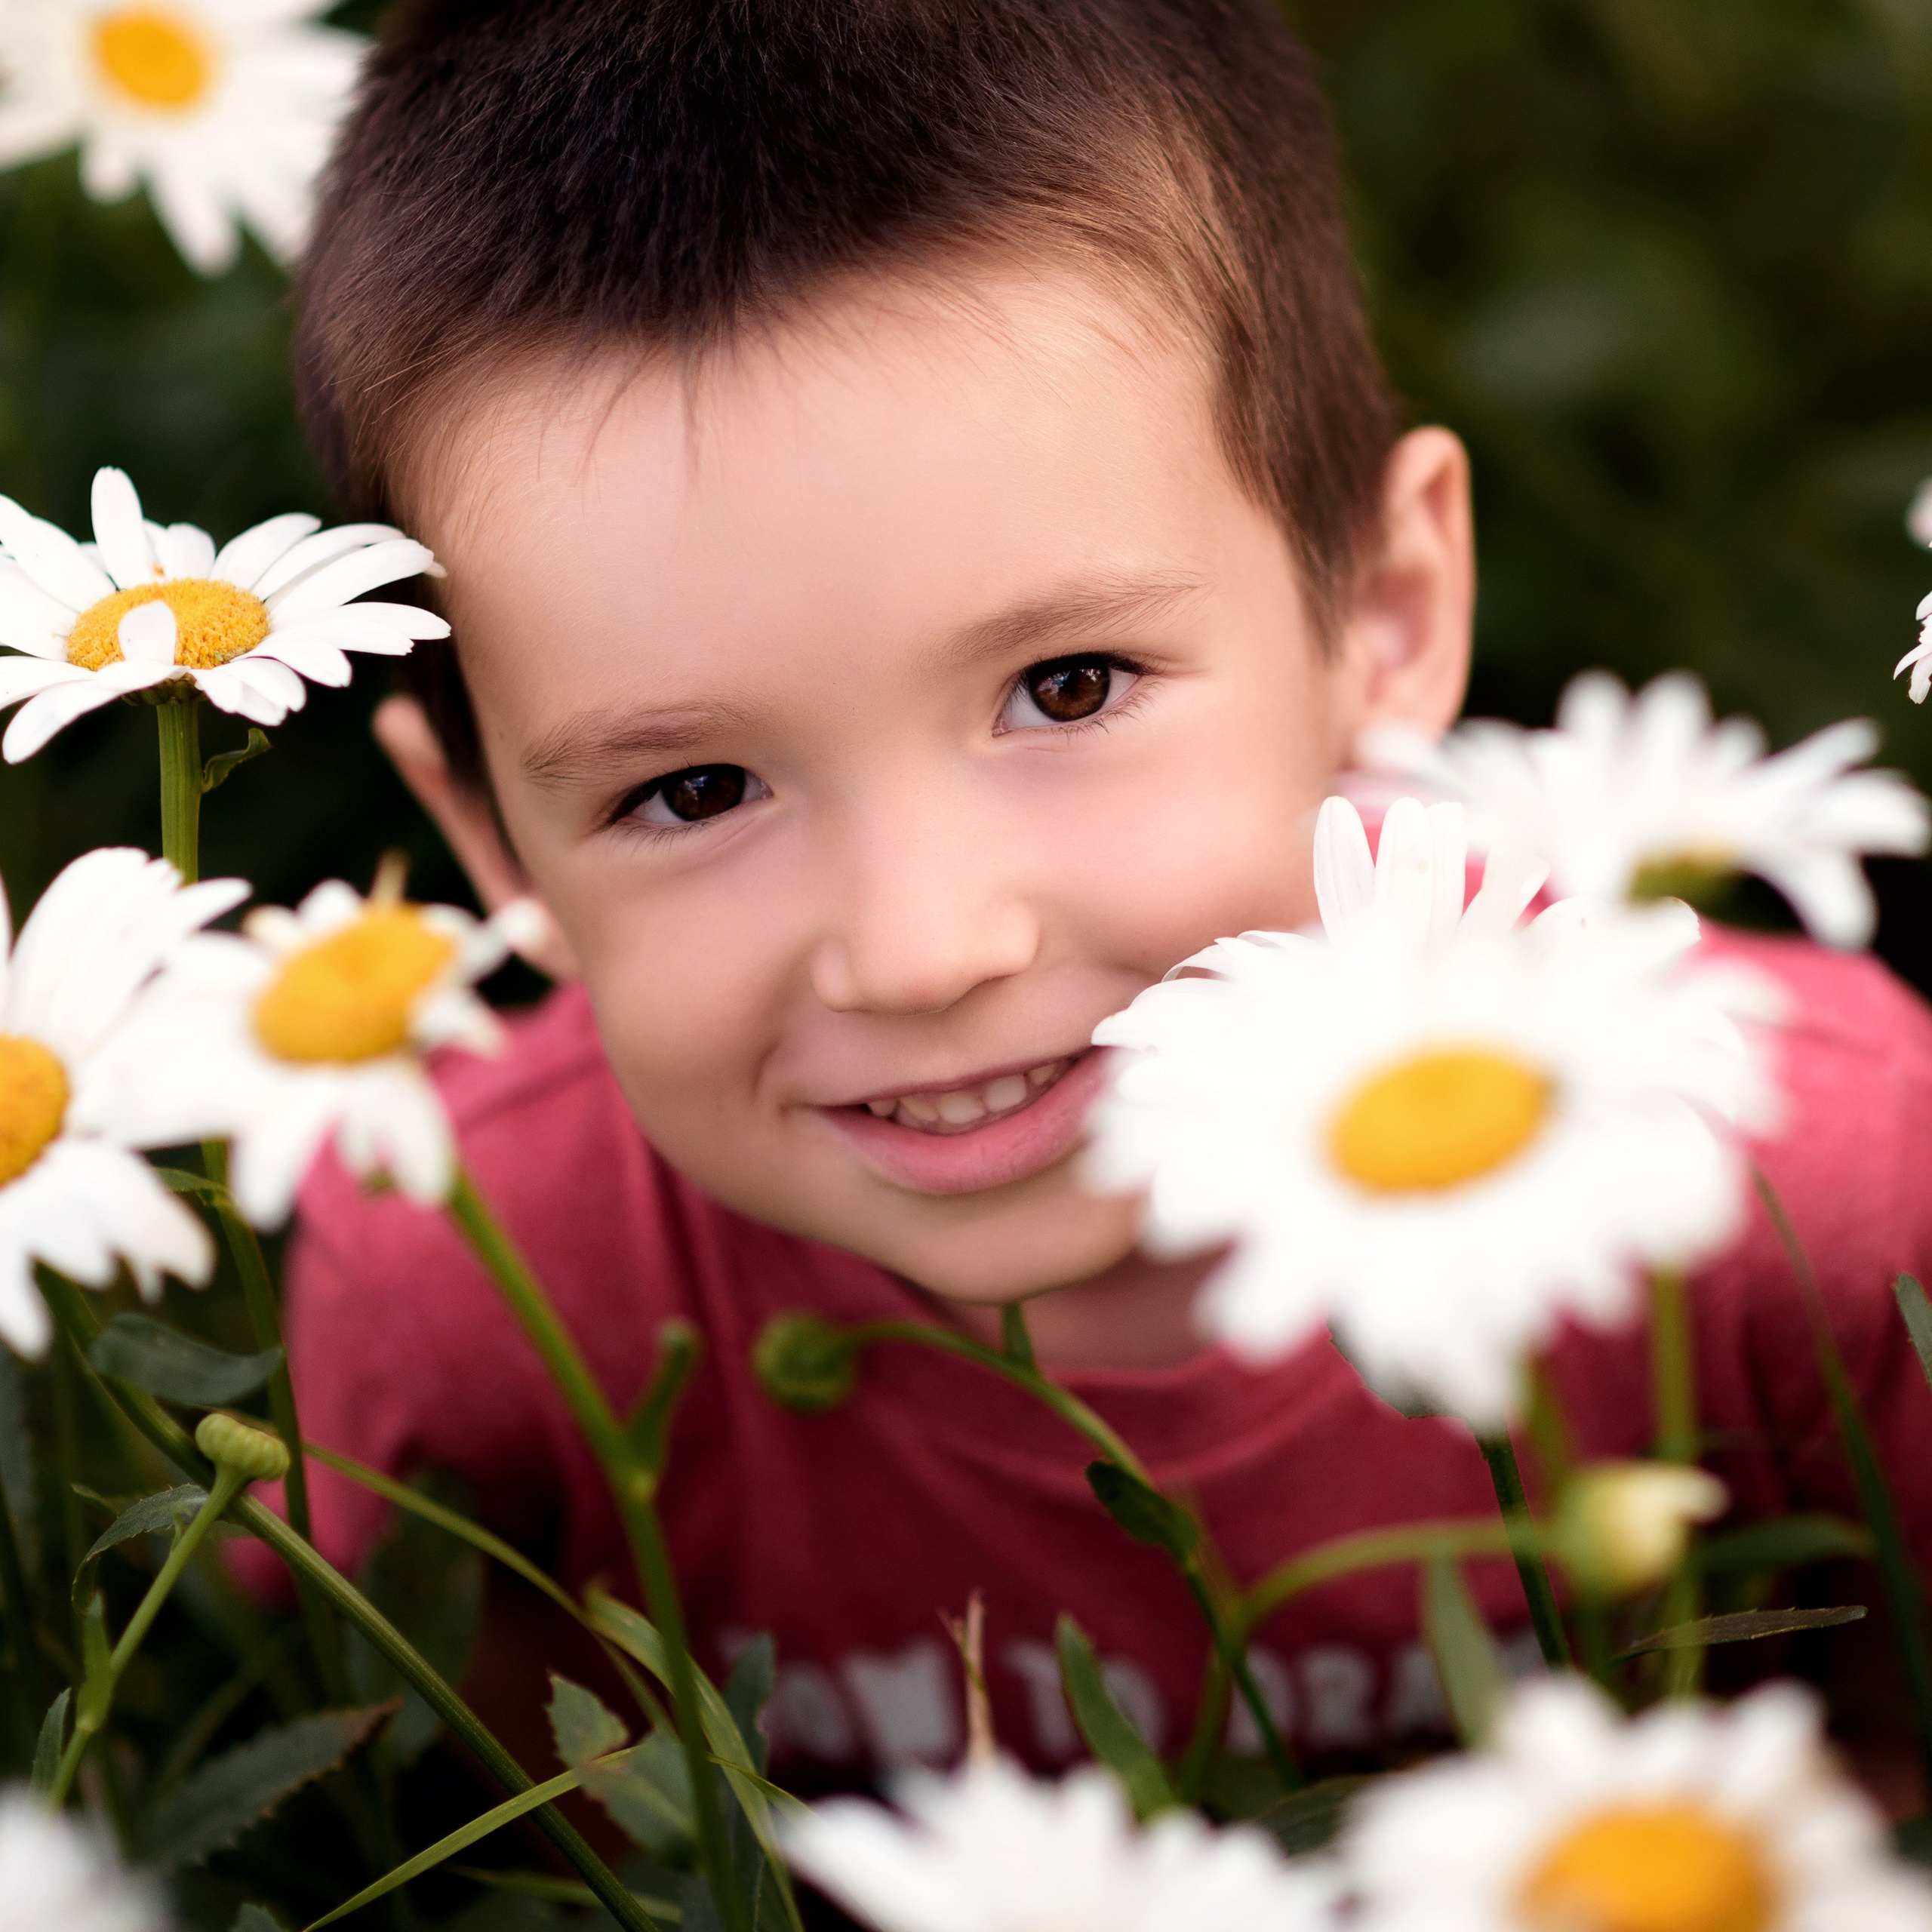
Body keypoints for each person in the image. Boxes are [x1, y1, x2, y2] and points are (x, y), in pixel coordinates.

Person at [257, 0, 1932, 1801]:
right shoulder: (458, 1285)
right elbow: (472, 1842)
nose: (923, 947)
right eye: (690, 789)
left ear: (1380, 609)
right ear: (491, 835)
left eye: (1066, 687)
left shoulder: (1801, 1190)